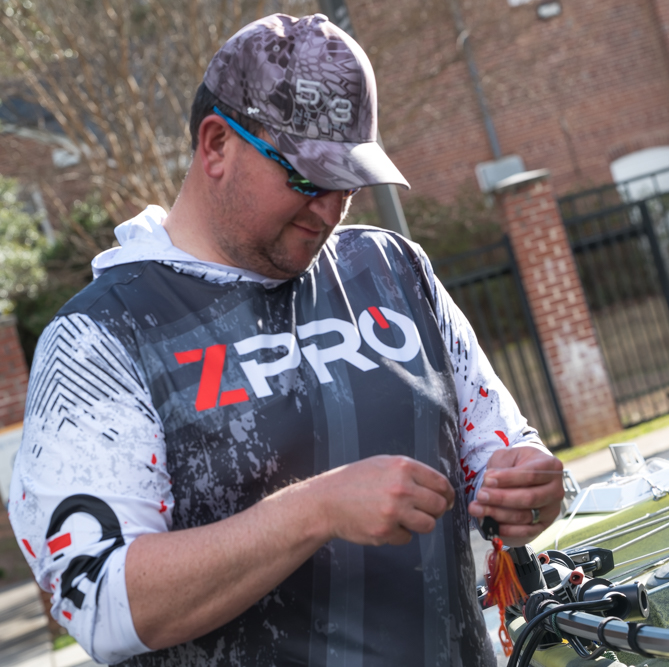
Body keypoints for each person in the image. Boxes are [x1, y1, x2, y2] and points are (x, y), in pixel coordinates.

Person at [9, 13, 563, 667]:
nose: (328, 208)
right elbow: (101, 601)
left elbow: (502, 453)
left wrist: (531, 490)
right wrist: (314, 510)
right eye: (306, 178)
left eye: (347, 182)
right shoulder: (100, 336)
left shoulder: (391, 269)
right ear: (217, 144)